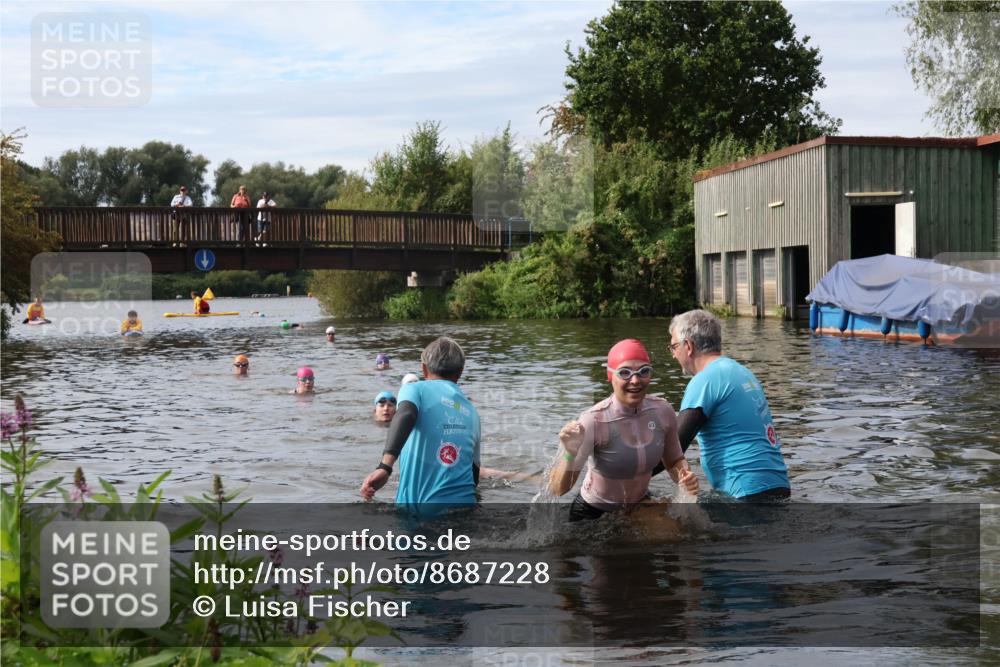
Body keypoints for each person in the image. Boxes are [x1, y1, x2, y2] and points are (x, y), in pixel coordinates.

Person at [548, 339, 699, 522]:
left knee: (674, 537)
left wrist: (685, 476)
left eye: (643, 371)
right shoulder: (594, 420)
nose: (635, 380)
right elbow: (558, 489)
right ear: (610, 376)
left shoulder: (663, 411)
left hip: (638, 504)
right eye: (625, 373)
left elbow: (674, 460)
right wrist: (569, 453)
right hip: (593, 515)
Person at [660, 309, 790, 501]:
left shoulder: (704, 380)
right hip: (779, 488)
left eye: (673, 347)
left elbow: (674, 448)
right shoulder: (743, 372)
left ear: (688, 346)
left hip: (745, 494)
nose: (673, 355)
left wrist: (621, 472)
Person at [360, 337, 481, 506]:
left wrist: (385, 467)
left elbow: (406, 414)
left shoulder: (414, 388)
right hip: (465, 508)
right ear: (460, 372)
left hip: (420, 511)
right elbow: (474, 473)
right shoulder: (472, 411)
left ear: (424, 369)